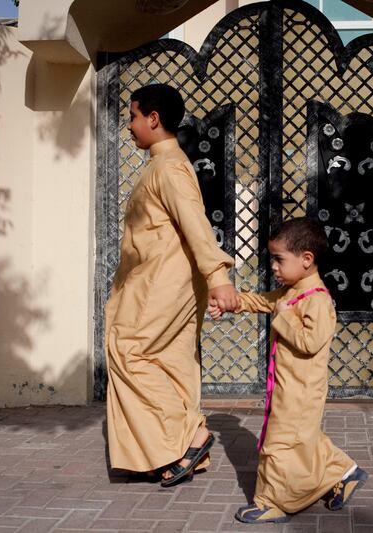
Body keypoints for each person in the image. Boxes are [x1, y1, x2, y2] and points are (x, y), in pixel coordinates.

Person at [105, 83, 240, 487]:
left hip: (163, 283)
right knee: (170, 361)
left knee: (129, 352)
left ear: (153, 118)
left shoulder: (169, 168)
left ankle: (189, 434)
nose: (128, 126)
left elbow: (196, 224)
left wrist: (219, 277)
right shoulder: (161, 165)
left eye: (132, 116)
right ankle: (172, 451)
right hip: (157, 279)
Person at [209, 217, 368, 523]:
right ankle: (344, 472)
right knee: (305, 440)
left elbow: (310, 342)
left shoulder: (317, 301)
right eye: (273, 260)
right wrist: (232, 303)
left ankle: (272, 502)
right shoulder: (290, 293)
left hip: (301, 393)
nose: (274, 267)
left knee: (278, 446)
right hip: (285, 388)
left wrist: (283, 318)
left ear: (307, 259)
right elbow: (262, 301)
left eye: (280, 260)